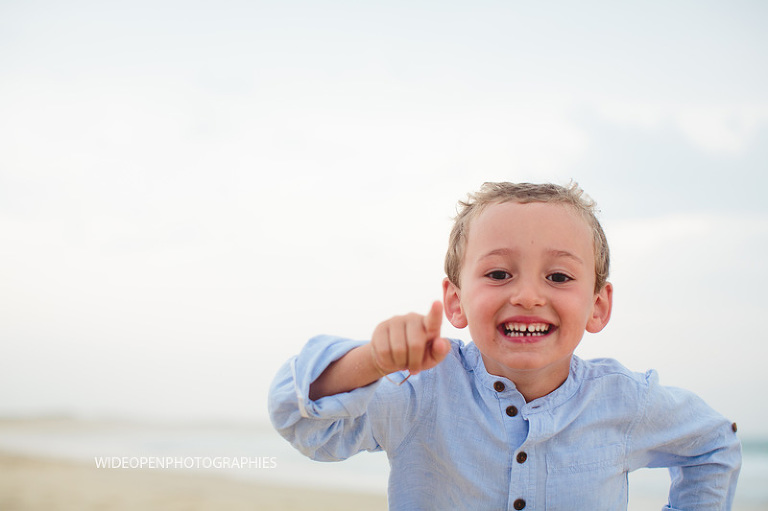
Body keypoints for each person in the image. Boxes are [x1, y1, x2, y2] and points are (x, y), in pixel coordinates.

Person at [268, 182, 741, 510]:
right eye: (498, 274)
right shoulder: (420, 392)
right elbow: (300, 420)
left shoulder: (627, 402)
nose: (528, 295)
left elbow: (713, 444)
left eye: (558, 276)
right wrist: (373, 359)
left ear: (597, 305)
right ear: (456, 302)